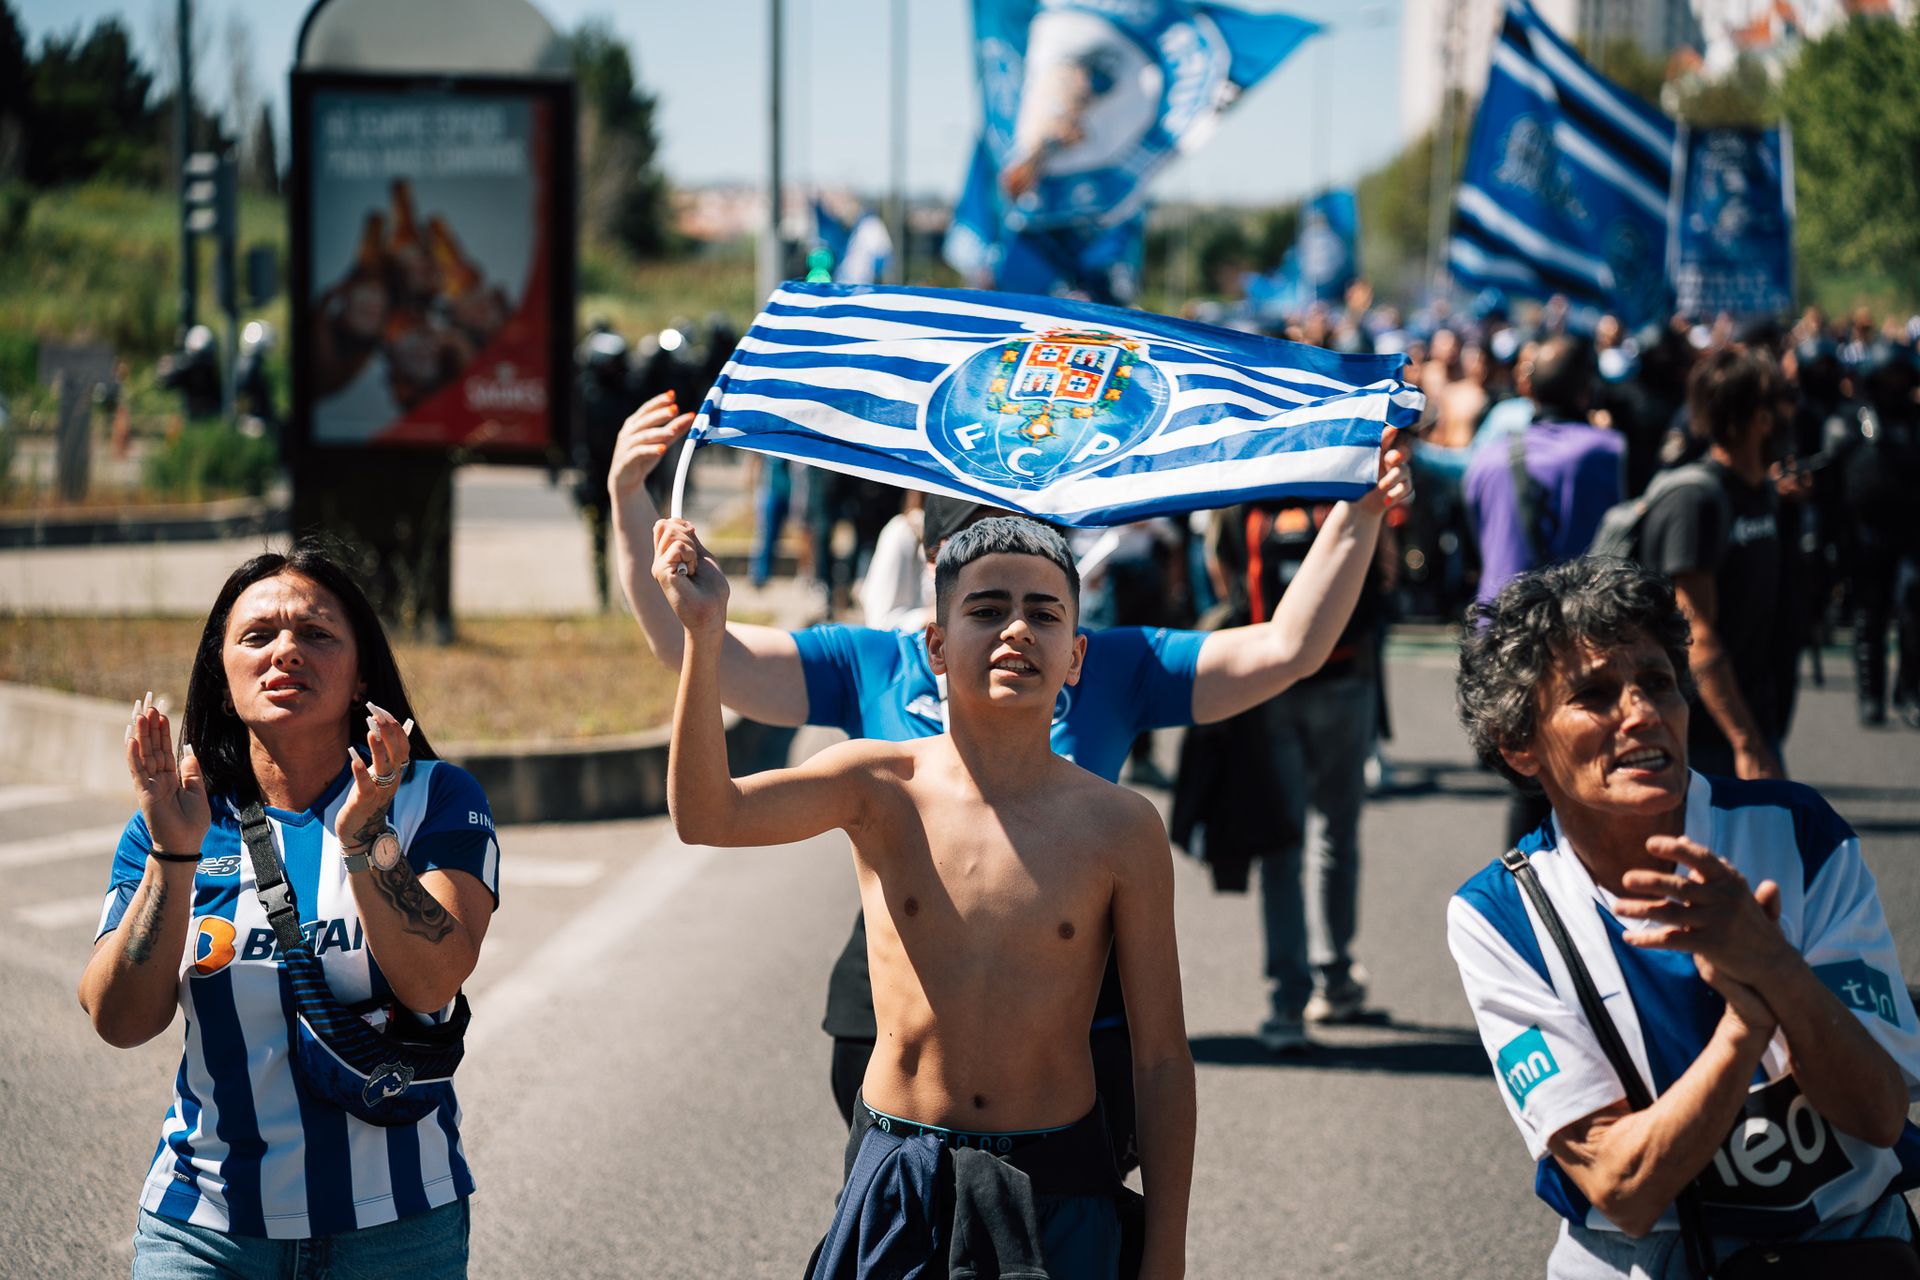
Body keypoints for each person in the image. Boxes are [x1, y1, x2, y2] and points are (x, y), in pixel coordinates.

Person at [608, 394, 1410, 1146]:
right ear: (934, 565)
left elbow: (1285, 647)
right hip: (892, 1019)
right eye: (983, 568)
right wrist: (630, 501)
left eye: (1036, 570)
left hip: (1074, 1020)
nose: (1016, 611)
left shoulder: (1108, 667)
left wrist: (1360, 512)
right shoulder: (870, 664)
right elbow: (695, 655)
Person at [655, 514, 1195, 1278]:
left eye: (1044, 614)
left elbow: (1163, 1059)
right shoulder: (878, 785)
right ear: (935, 647)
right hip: (900, 1173)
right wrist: (704, 637)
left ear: (1076, 656)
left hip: (1060, 1185)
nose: (1016, 630)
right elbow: (707, 815)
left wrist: (1165, 1252)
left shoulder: (1122, 827)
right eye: (985, 609)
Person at [1448, 556, 1919, 1278]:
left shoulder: (1797, 834)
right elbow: (1624, 1191)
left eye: (1659, 683)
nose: (1641, 713)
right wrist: (1748, 1020)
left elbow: (1881, 1115)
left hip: (1844, 1243)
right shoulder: (1500, 914)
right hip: (1645, 1255)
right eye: (1596, 694)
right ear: (1520, 746)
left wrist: (1776, 970)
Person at [80, 546, 500, 1278]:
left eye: (316, 633)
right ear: (223, 669)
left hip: (399, 1233)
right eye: (257, 636)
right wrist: (172, 858)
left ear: (361, 670)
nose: (286, 652)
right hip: (206, 1232)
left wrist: (367, 845)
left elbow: (433, 981)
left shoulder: (435, 796)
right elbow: (119, 1021)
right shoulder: (175, 817)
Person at [1638, 346, 1786, 779]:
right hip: (1703, 742)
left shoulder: (1761, 493)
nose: (1794, 414)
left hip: (1754, 721)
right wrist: (1747, 743)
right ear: (1760, 418)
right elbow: (1695, 631)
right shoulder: (1695, 500)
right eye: (1784, 403)